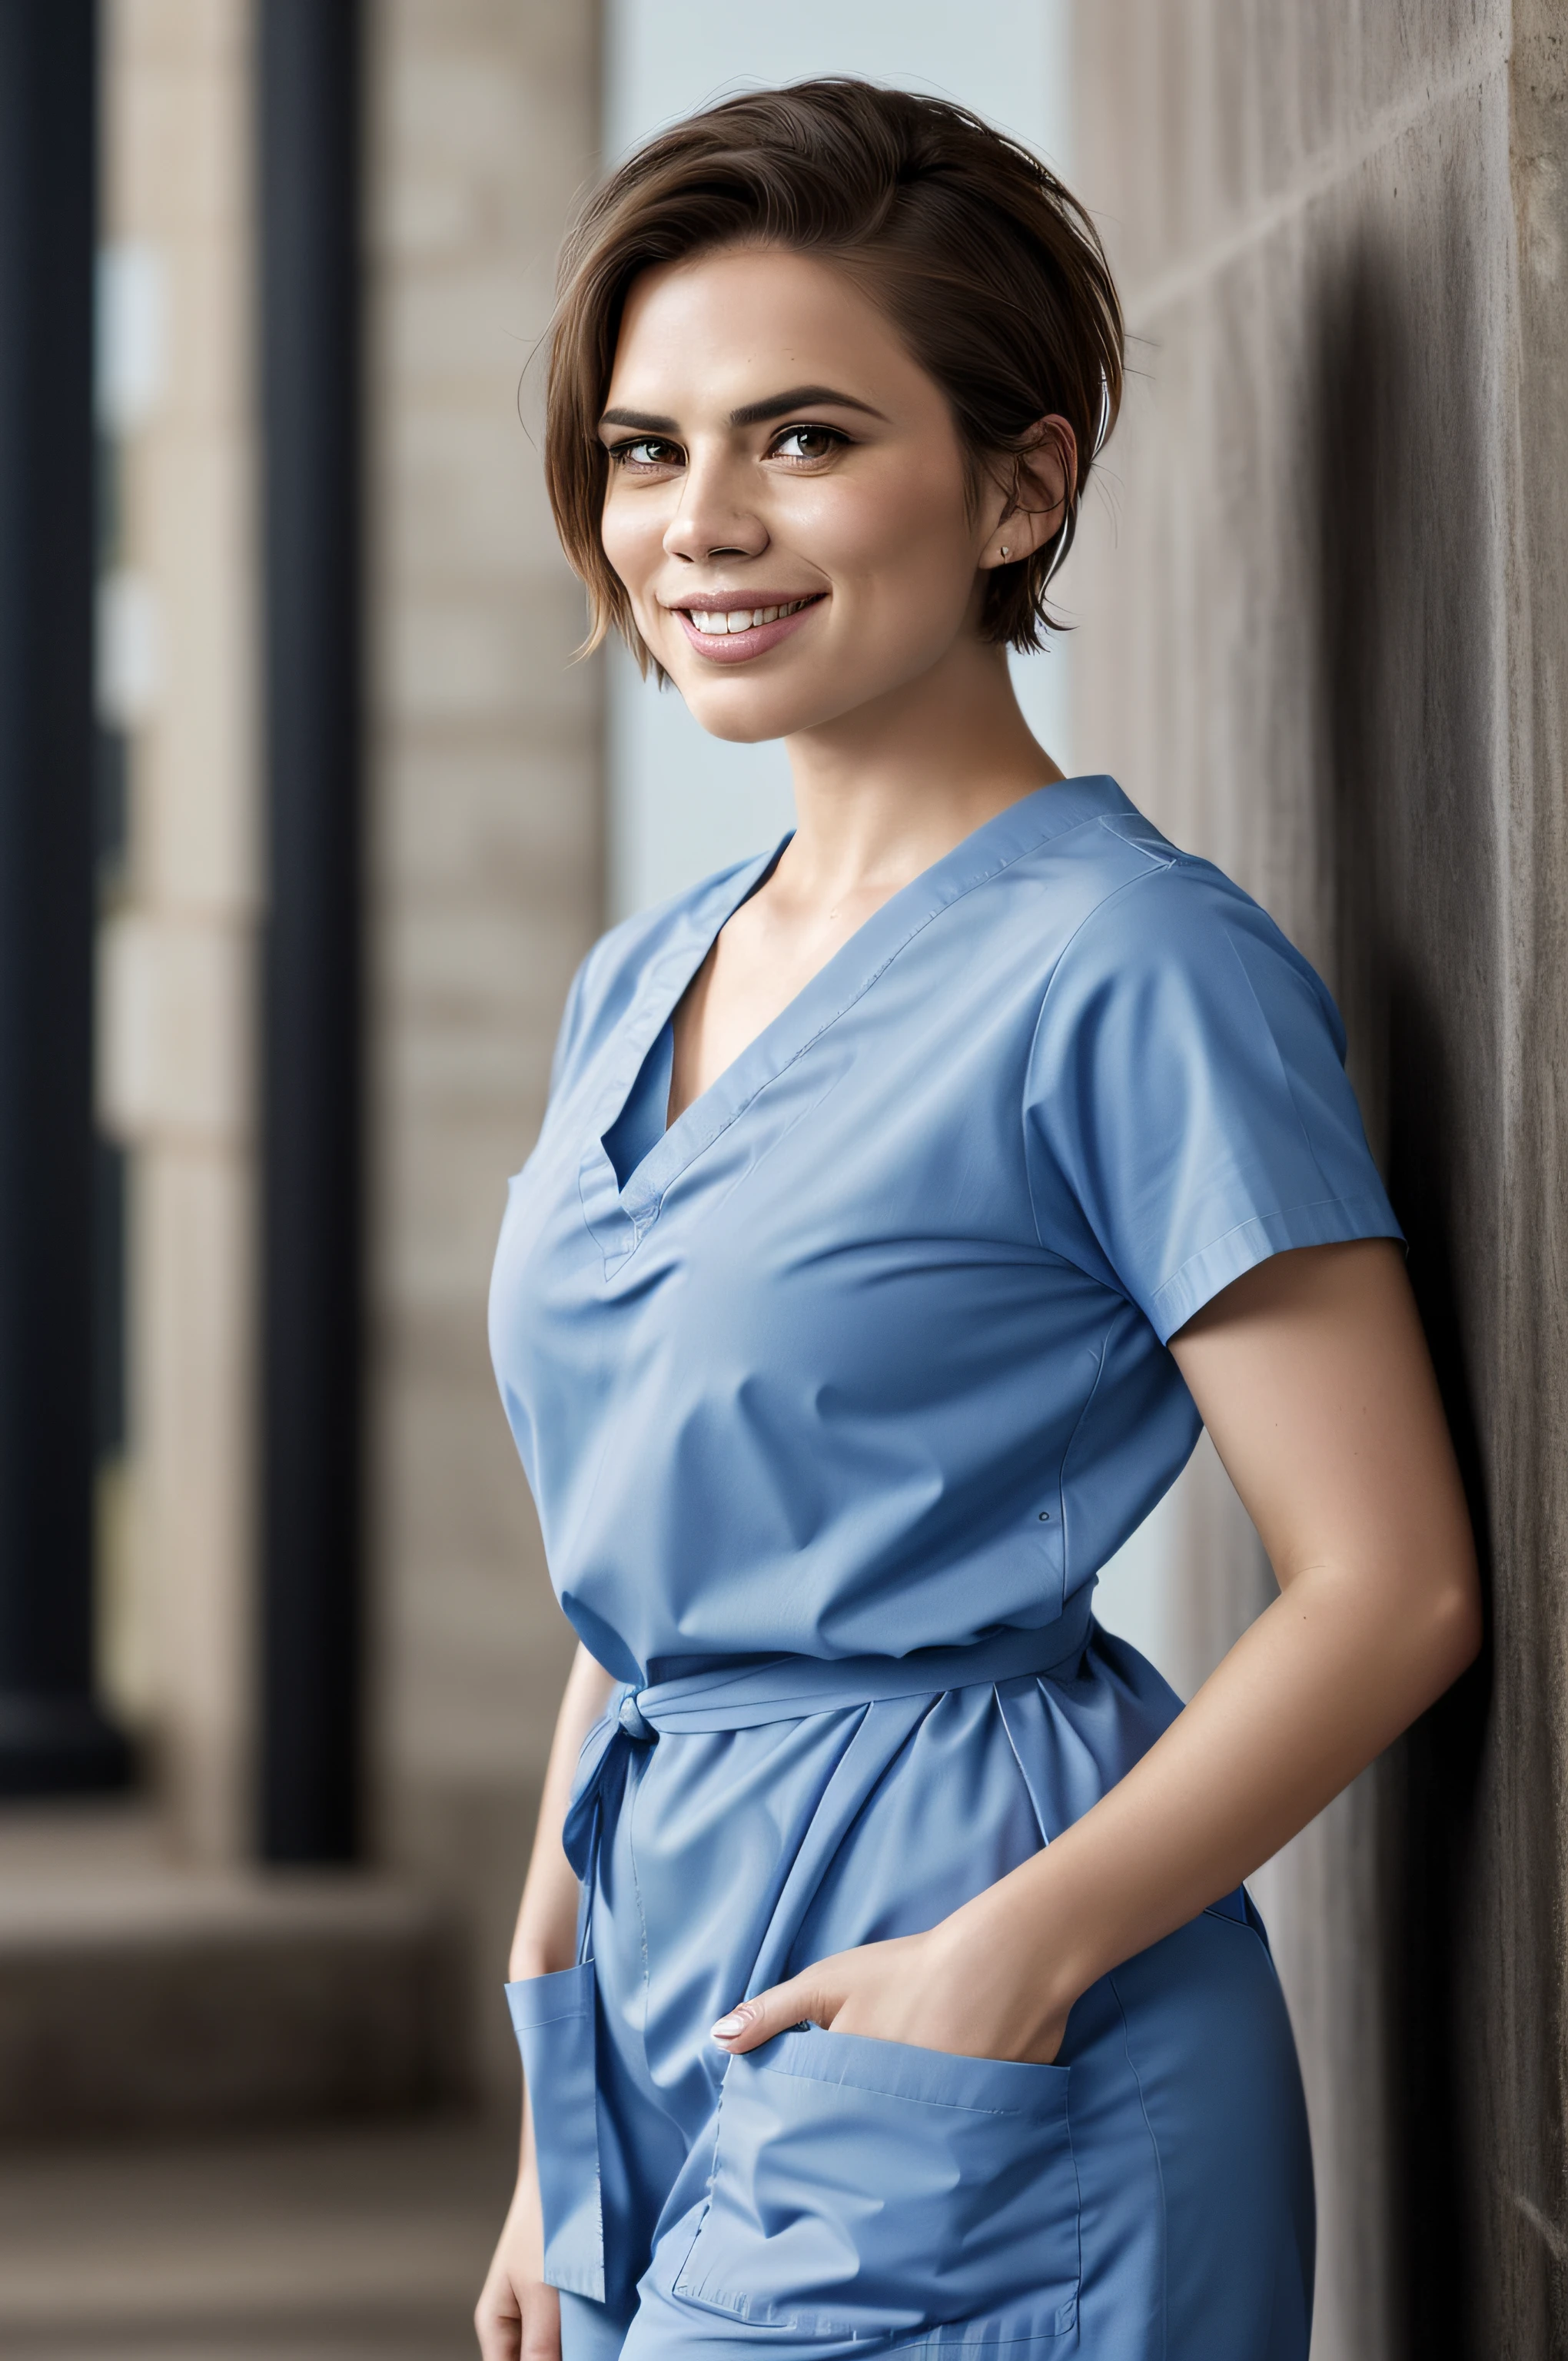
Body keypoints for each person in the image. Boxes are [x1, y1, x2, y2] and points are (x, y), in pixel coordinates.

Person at [476, 79, 1480, 2361]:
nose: (702, 524)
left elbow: (1394, 1581)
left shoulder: (1131, 964)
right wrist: (558, 2104)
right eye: (647, 450)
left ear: (1019, 485)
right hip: (658, 2004)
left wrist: (997, 1965)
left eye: (804, 437)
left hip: (989, 1995)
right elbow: (644, 1571)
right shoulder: (645, 975)